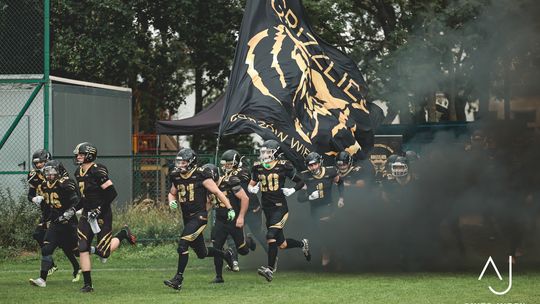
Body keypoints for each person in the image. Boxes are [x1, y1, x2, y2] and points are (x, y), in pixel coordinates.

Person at [164, 148, 236, 291]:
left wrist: (230, 208)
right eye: (179, 162)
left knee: (183, 245)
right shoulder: (175, 176)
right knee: (202, 253)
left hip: (199, 216)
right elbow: (172, 193)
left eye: (183, 162)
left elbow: (217, 191)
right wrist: (171, 200)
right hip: (187, 217)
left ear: (191, 163)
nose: (180, 165)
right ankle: (225, 254)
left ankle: (178, 279)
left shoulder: (201, 174)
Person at [74, 142, 137, 292]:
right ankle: (88, 284)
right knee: (82, 247)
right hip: (86, 214)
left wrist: (99, 209)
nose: (78, 157)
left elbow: (112, 193)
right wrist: (73, 209)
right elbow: (84, 197)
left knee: (104, 252)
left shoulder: (98, 171)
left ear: (89, 155)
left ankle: (122, 234)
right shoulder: (78, 172)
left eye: (81, 154)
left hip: (102, 215)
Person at [248, 139, 310, 282]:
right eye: (263, 152)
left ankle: (270, 269)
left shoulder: (284, 166)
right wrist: (252, 189)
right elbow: (250, 185)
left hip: (280, 207)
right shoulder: (257, 167)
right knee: (282, 244)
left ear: (275, 153)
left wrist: (292, 189)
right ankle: (302, 244)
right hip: (267, 209)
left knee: (270, 236)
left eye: (268, 152)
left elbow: (301, 181)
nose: (264, 155)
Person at [29, 160, 81, 287]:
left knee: (77, 250)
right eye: (47, 173)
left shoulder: (66, 183)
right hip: (55, 223)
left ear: (59, 172)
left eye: (53, 173)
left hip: (69, 223)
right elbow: (47, 207)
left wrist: (70, 212)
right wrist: (46, 220)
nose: (50, 176)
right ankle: (42, 280)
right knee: (47, 248)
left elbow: (77, 201)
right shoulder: (44, 185)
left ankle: (101, 251)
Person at [204, 163, 255, 283]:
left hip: (234, 220)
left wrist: (241, 217)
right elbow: (209, 202)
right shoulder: (208, 187)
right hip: (221, 221)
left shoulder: (229, 181)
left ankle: (248, 241)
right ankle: (219, 276)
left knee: (243, 250)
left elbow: (245, 198)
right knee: (217, 248)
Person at [220, 149, 268, 272]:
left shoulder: (243, 172)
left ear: (236, 162)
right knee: (231, 234)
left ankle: (272, 255)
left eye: (229, 164)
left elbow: (239, 180)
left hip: (251, 208)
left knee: (258, 232)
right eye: (225, 164)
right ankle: (234, 261)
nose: (226, 166)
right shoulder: (228, 174)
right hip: (236, 208)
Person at [298, 152, 343, 267]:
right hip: (315, 209)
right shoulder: (305, 176)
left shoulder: (331, 171)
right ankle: (329, 254)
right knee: (321, 234)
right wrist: (309, 197)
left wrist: (341, 198)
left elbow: (340, 182)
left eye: (315, 164)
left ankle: (330, 255)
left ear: (320, 163)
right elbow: (299, 198)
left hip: (328, 207)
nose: (313, 167)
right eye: (310, 165)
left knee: (327, 231)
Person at [27, 149, 59, 277]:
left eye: (41, 162)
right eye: (37, 163)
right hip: (45, 211)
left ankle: (51, 265)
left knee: (47, 237)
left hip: (57, 209)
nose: (39, 165)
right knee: (38, 235)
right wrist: (34, 198)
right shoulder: (33, 175)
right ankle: (50, 264)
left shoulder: (55, 172)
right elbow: (30, 195)